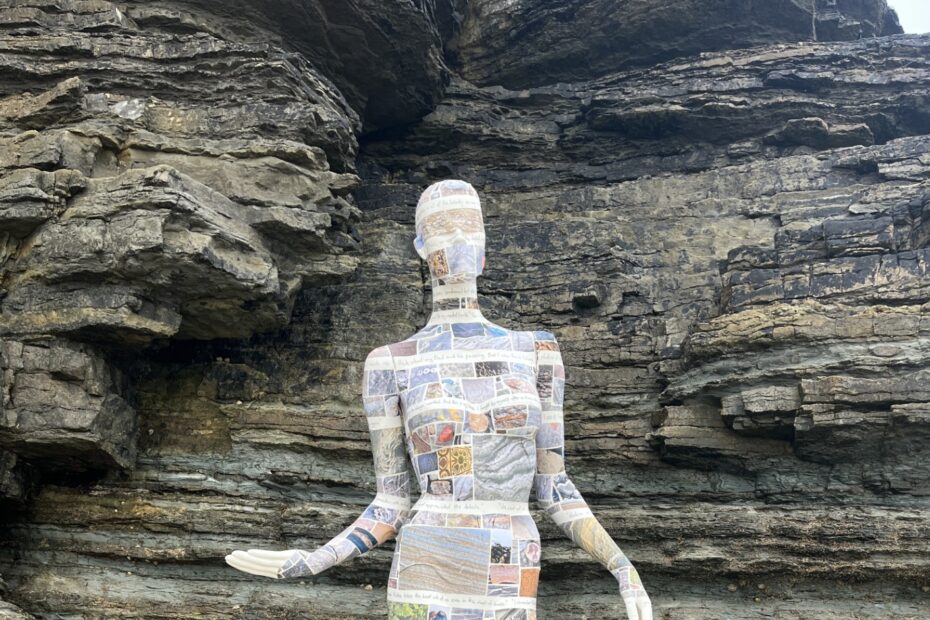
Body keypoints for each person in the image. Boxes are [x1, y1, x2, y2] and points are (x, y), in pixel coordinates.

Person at [225, 179, 653, 620]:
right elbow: (390, 502)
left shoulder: (537, 351)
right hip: (425, 563)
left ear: (486, 249)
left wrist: (622, 566)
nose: (460, 241)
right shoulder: (390, 363)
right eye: (444, 229)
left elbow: (554, 485)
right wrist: (314, 559)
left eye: (470, 229)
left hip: (510, 556)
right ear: (421, 246)